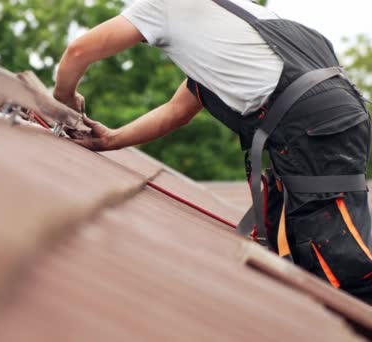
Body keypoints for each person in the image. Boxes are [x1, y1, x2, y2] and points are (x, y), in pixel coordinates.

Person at [53, 0, 372, 304]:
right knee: (318, 233)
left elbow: (79, 50)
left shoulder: (166, 7)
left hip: (310, 123)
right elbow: (176, 111)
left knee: (332, 251)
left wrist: (63, 98)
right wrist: (112, 139)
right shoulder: (235, 29)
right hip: (339, 115)